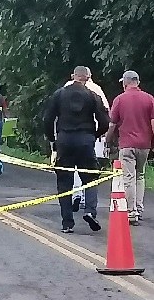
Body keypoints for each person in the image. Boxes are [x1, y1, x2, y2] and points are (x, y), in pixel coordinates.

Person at [43, 65, 110, 234]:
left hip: (64, 140)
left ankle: (67, 223)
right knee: (91, 178)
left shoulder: (59, 94)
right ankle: (90, 211)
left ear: (73, 76)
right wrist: (94, 135)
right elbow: (104, 121)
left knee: (64, 181)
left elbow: (47, 118)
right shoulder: (92, 95)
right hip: (85, 139)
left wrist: (53, 139)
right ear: (87, 77)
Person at [105, 70, 154, 226]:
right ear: (138, 82)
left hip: (126, 144)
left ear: (125, 83)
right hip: (144, 144)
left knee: (129, 178)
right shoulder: (149, 99)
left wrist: (107, 140)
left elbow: (112, 124)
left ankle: (131, 212)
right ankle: (138, 208)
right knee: (140, 175)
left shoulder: (120, 99)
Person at [64, 67, 110, 212]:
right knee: (89, 169)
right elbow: (105, 111)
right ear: (89, 76)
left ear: (73, 76)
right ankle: (86, 200)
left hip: (68, 134)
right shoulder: (96, 89)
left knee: (73, 167)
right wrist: (101, 133)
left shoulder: (66, 88)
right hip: (90, 134)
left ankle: (75, 194)